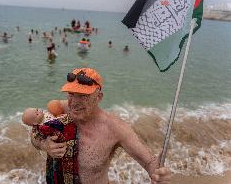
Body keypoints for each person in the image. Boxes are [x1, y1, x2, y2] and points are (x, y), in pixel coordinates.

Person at [30, 68, 172, 184]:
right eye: (71, 94)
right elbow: (35, 133)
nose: (74, 102)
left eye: (83, 96)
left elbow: (149, 162)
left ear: (99, 97)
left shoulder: (115, 128)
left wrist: (159, 174)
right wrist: (44, 145)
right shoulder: (60, 110)